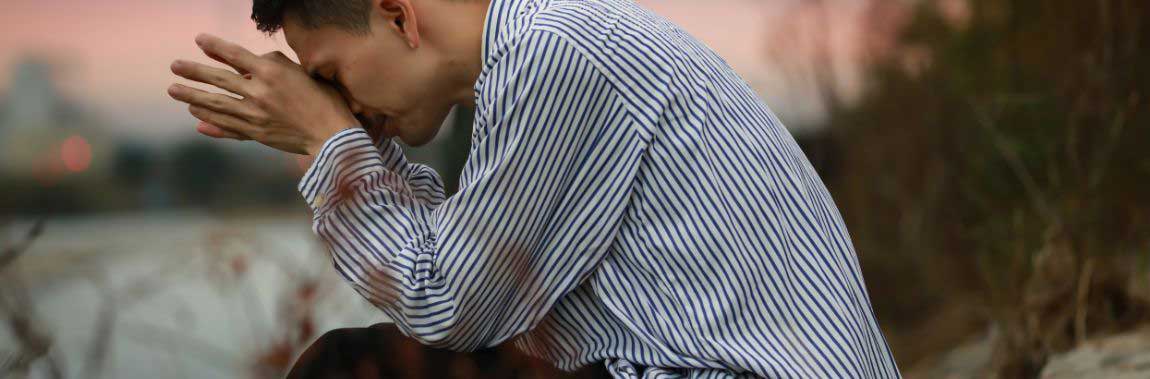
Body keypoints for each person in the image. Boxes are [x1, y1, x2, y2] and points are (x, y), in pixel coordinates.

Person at [166, 0, 901, 377]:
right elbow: (472, 281)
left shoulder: (552, 58)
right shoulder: (550, 45)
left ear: (398, 15)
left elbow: (446, 301)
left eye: (331, 75)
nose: (346, 102)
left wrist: (330, 143)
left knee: (351, 372)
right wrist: (353, 143)